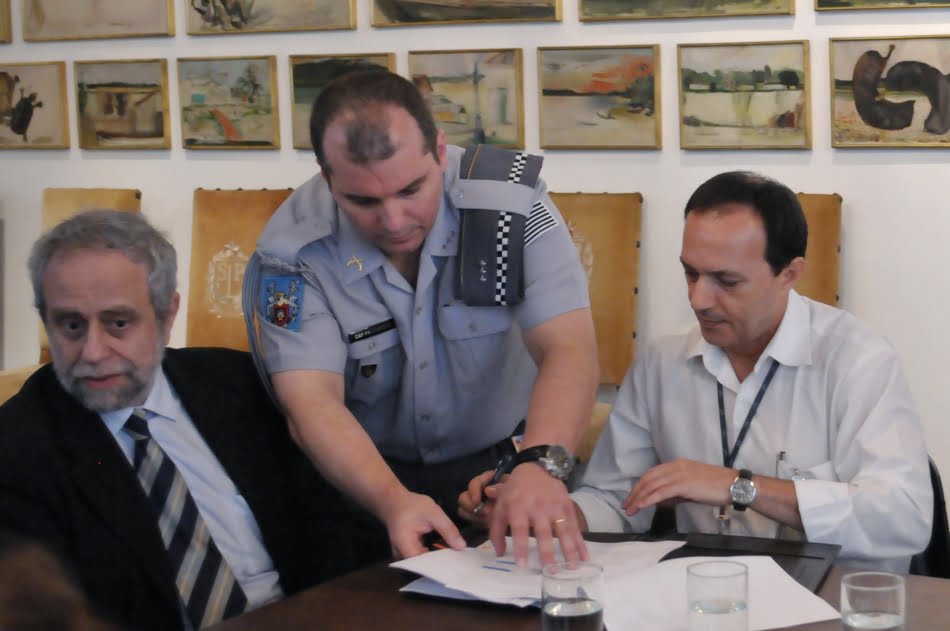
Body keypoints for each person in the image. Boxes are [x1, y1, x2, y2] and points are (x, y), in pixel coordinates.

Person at [461, 171, 933, 572]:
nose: (699, 300)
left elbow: (904, 518)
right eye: (690, 273)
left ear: (790, 273)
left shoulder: (859, 361)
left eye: (726, 281)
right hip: (704, 601)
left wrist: (737, 487)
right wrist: (541, 509)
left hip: (834, 608)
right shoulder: (663, 363)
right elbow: (614, 501)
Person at [242, 69, 599, 565]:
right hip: (361, 478)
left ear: (439, 149)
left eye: (411, 190)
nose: (393, 221)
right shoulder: (292, 252)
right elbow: (311, 404)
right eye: (363, 201)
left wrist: (537, 466)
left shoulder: (507, 206)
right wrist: (391, 501)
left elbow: (569, 348)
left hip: (499, 471)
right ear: (328, 178)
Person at [0, 210, 374, 631]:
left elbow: (331, 533)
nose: (93, 352)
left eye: (118, 322)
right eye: (70, 325)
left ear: (166, 315)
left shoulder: (240, 386)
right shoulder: (18, 448)